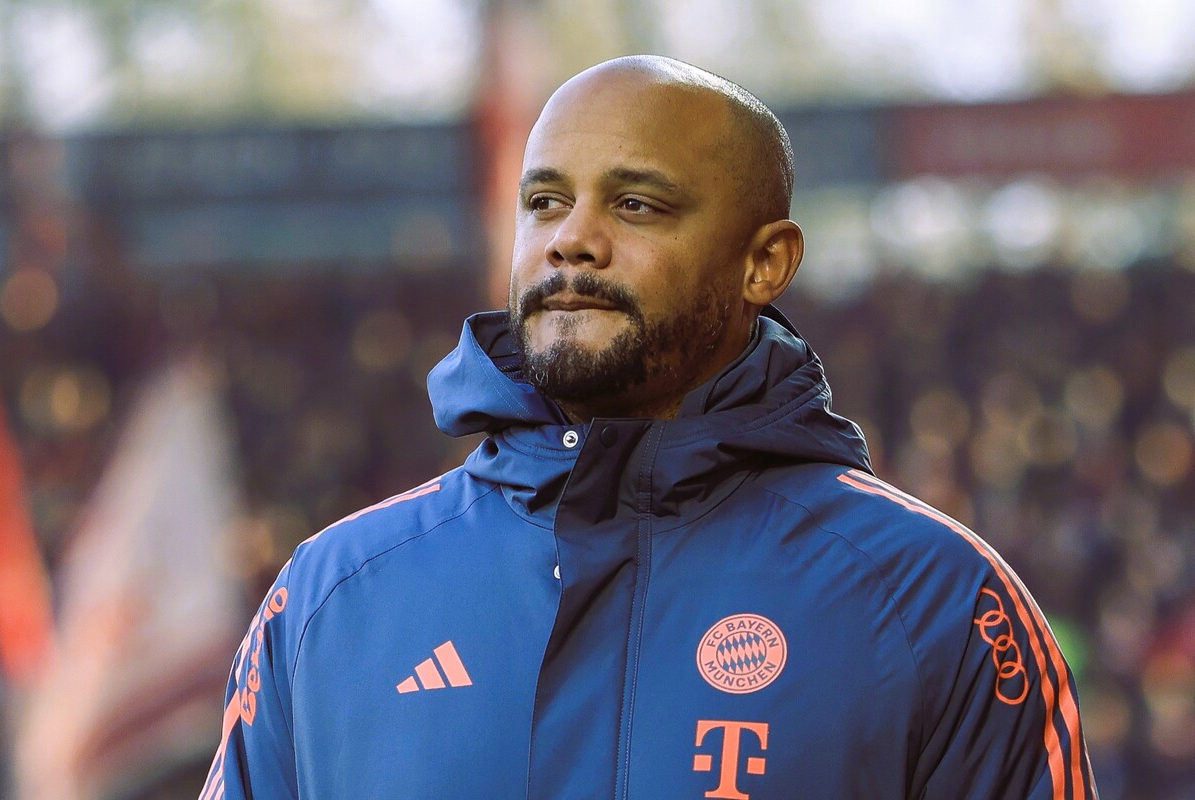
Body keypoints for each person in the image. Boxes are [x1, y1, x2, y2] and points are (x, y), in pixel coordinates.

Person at [201, 55, 1098, 799]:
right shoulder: (331, 598)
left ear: (764, 262)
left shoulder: (937, 602)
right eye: (544, 202)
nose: (571, 240)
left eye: (636, 205)